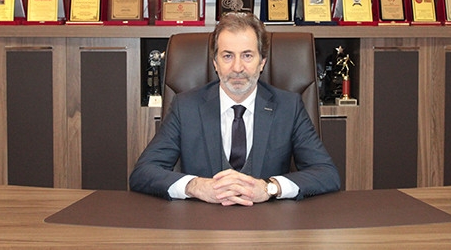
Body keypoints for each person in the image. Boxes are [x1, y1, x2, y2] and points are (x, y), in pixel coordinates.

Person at [129, 12, 340, 206]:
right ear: (215, 63)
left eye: (247, 56)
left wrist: (269, 188)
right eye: (227, 56)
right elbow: (143, 173)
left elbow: (326, 173)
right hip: (201, 223)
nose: (237, 68)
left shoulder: (288, 107)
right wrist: (195, 186)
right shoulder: (186, 107)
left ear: (262, 62)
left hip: (268, 223)